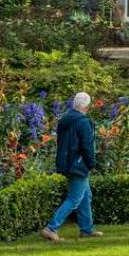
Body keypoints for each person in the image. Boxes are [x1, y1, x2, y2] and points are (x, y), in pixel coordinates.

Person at [41, 91, 101, 241]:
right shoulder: (83, 122)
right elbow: (87, 145)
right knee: (74, 198)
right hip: (79, 164)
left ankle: (86, 229)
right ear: (87, 107)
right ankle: (51, 228)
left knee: (85, 196)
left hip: (67, 163)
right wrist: (91, 163)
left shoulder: (64, 120)